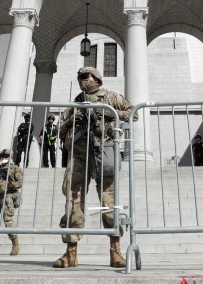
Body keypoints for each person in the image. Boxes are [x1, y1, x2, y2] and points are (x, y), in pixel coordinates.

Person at [52, 66, 137, 269]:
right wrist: (73, 119)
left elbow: (133, 114)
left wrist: (108, 113)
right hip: (79, 156)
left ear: (97, 79)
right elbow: (60, 129)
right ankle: (70, 252)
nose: (82, 80)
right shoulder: (75, 103)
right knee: (73, 203)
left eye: (85, 76)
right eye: (79, 77)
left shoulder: (111, 97)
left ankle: (115, 251)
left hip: (103, 153)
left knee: (110, 204)